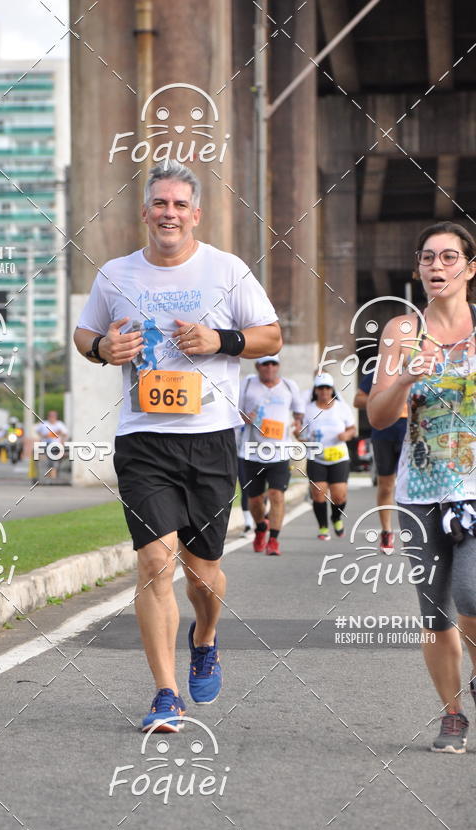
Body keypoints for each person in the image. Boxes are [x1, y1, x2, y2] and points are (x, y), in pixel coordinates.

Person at [74, 160, 281, 732]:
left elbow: (271, 334)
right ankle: (166, 693)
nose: (169, 213)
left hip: (210, 439)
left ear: (196, 214)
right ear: (145, 212)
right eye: (159, 204)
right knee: (153, 562)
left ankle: (206, 636)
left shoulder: (227, 270)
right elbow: (85, 332)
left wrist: (221, 339)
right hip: (143, 440)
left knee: (203, 573)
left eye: (179, 205)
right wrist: (101, 350)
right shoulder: (116, 274)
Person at [368, 221, 476, 754]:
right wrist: (407, 376)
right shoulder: (401, 333)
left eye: (450, 258)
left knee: (472, 593)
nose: (438, 267)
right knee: (434, 613)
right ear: (418, 269)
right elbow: (379, 413)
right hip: (419, 492)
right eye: (429, 258)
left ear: (470, 269)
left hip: (475, 487)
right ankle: (452, 715)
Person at [239, 354, 304, 555]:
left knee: (277, 495)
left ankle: (274, 541)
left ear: (278, 366)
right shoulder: (248, 384)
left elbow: (299, 412)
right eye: (265, 364)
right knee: (255, 500)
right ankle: (260, 528)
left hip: (279, 452)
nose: (269, 367)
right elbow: (234, 410)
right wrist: (244, 418)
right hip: (251, 452)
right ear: (257, 366)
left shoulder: (289, 386)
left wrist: (298, 423)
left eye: (273, 363)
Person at [354, 370, 407, 554]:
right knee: (386, 485)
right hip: (383, 431)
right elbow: (357, 399)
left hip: (411, 431)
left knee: (409, 485)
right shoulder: (381, 372)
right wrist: (382, 400)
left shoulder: (421, 369)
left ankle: (416, 531)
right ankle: (386, 531)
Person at [300, 373, 356, 540]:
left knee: (339, 495)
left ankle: (336, 518)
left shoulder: (341, 407)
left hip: (338, 457)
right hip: (317, 457)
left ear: (332, 390)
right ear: (315, 390)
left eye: (327, 388)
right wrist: (298, 434)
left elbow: (352, 429)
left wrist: (346, 435)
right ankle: (323, 526)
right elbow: (301, 433)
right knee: (318, 493)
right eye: (320, 388)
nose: (324, 391)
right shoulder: (308, 409)